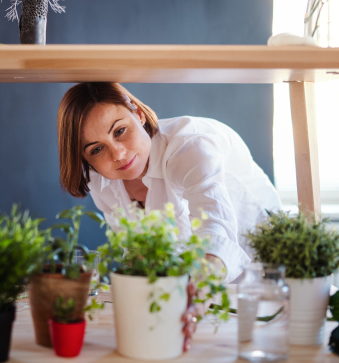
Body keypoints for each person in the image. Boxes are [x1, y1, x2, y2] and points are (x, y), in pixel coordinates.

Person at [57, 82, 282, 284]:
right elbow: (138, 255)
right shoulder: (100, 182)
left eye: (120, 131)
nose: (117, 154)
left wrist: (196, 290)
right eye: (96, 149)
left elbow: (217, 231)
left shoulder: (190, 147)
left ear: (138, 114)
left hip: (267, 266)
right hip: (189, 287)